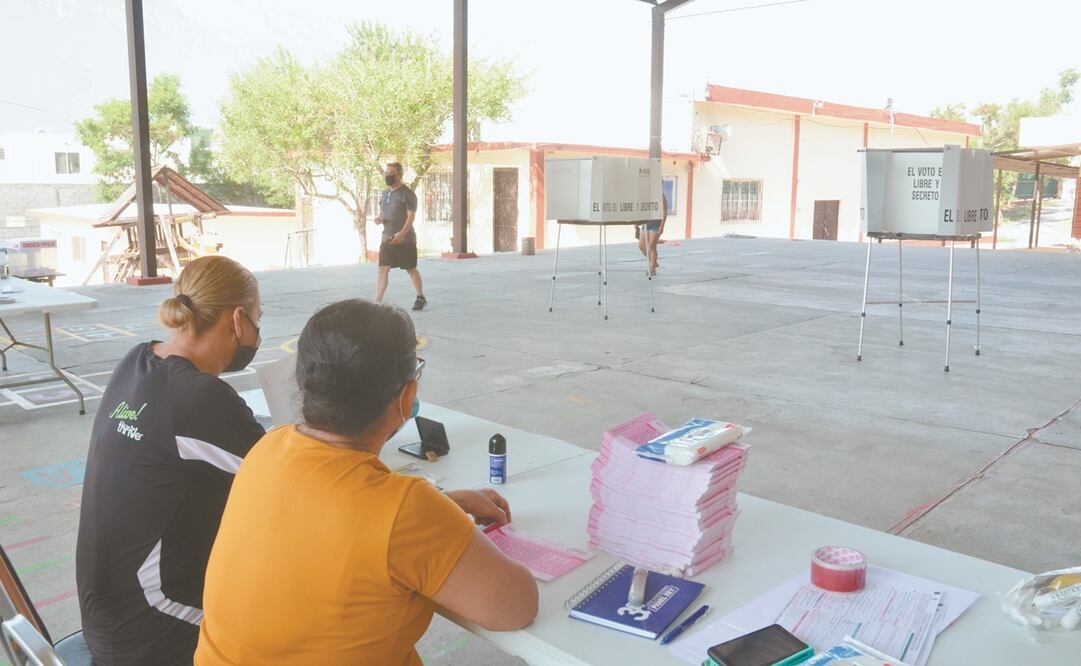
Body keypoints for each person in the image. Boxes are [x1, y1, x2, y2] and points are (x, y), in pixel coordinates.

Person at [195, 299, 538, 665]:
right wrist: (437, 519)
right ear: (407, 398)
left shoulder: (269, 448)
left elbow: (331, 525)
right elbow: (515, 607)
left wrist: (445, 507)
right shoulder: (404, 511)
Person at [76, 256, 265, 666]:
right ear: (238, 320)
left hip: (109, 617)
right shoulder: (199, 398)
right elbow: (288, 481)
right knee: (301, 622)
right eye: (257, 319)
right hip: (154, 631)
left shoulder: (138, 360)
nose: (256, 333)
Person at [375, 162, 426, 311]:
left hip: (405, 240)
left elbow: (410, 217)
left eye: (391, 173)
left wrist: (402, 234)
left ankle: (420, 296)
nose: (387, 176)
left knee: (410, 268)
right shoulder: (384, 194)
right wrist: (379, 219)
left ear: (399, 175)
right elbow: (382, 213)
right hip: (387, 239)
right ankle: (377, 301)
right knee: (382, 269)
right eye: (386, 173)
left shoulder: (407, 194)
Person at [638, 192, 669, 275]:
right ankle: (653, 262)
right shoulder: (645, 195)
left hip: (656, 224)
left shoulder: (660, 195)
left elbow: (664, 212)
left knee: (651, 246)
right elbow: (639, 210)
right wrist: (636, 226)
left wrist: (662, 226)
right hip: (645, 223)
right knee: (641, 246)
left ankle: (652, 269)